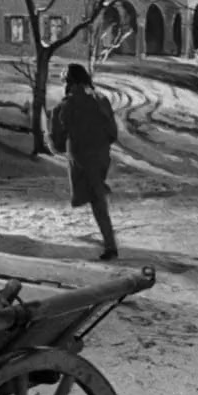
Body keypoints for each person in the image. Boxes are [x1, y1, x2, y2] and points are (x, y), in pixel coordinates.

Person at [49, 63, 120, 261]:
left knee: (96, 198)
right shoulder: (101, 101)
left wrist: (64, 144)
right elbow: (112, 133)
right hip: (101, 155)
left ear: (69, 83)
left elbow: (57, 143)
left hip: (80, 157)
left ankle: (110, 245)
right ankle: (108, 241)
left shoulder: (63, 107)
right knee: (96, 195)